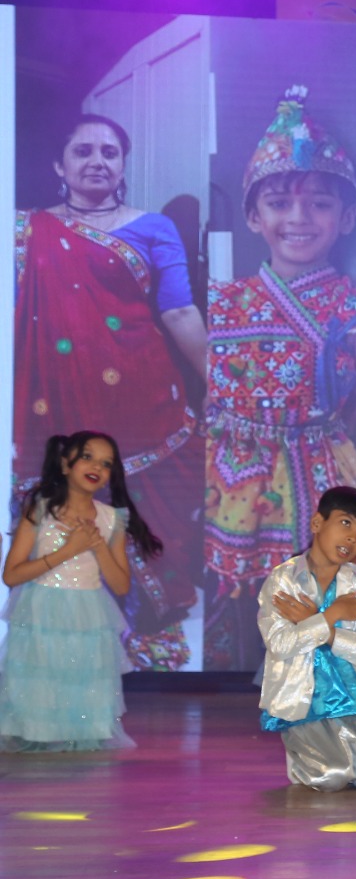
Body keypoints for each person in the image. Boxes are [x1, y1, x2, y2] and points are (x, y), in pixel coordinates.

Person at [203, 87, 356, 672]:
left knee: (324, 619)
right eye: (279, 203)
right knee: (239, 621)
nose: (298, 218)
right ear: (254, 216)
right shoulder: (220, 303)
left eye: (318, 204)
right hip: (233, 486)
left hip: (324, 476)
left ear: (347, 217)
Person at [14, 114, 205, 670]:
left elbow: (179, 310)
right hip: (54, 401)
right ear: (60, 165)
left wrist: (222, 382)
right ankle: (73, 628)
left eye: (109, 152)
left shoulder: (153, 228)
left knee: (150, 508)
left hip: (142, 396)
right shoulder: (24, 230)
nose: (97, 161)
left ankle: (151, 619)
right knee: (63, 508)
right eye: (83, 151)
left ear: (123, 165)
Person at [0, 432, 160, 751]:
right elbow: (12, 575)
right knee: (42, 678)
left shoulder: (111, 518)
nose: (96, 467)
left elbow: (121, 585)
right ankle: (38, 736)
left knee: (82, 678)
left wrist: (97, 546)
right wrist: (69, 550)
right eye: (87, 457)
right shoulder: (40, 510)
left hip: (88, 613)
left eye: (106, 463)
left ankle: (80, 739)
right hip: (41, 610)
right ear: (65, 465)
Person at [256, 486, 356, 792]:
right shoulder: (284, 579)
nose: (352, 538)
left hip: (352, 695)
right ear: (317, 523)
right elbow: (280, 644)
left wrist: (325, 627)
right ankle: (306, 754)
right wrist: (333, 613)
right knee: (331, 777)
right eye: (346, 523)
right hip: (304, 698)